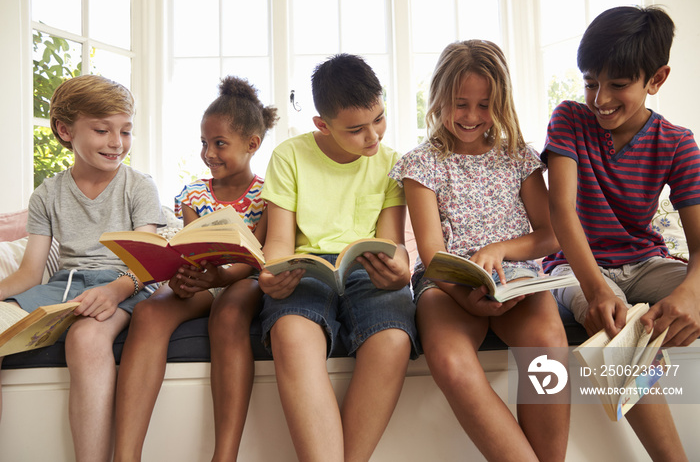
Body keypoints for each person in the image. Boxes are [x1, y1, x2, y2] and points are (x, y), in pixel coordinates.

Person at [390, 40, 570, 462]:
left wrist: (499, 250)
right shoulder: (421, 164)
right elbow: (432, 254)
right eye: (460, 103)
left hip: (516, 282)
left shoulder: (517, 158)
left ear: (501, 102)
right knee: (451, 361)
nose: (471, 116)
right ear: (437, 99)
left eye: (484, 104)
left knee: (549, 346)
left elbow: (551, 235)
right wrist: (463, 295)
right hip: (448, 287)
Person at [543, 6, 699, 461]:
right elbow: (561, 211)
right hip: (576, 267)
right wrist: (595, 290)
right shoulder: (569, 119)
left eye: (618, 84)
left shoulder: (676, 142)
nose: (599, 98)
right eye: (591, 82)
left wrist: (690, 294)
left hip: (647, 262)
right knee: (619, 325)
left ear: (657, 79)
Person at [257, 53, 419, 462]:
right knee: (291, 337)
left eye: (379, 119)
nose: (373, 137)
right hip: (305, 270)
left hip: (367, 270)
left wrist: (400, 270)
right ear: (322, 125)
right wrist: (270, 273)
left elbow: (391, 242)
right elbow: (278, 240)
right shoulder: (289, 156)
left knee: (394, 340)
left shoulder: (391, 163)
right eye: (356, 129)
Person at [0, 74, 165, 462]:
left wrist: (115, 291)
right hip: (63, 286)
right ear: (65, 129)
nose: (116, 142)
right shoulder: (47, 193)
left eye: (125, 131)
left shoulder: (139, 186)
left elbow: (149, 261)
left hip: (126, 282)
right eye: (102, 130)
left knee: (86, 340)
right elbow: (29, 274)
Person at [113, 76, 278, 462]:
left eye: (220, 143)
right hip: (203, 280)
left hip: (244, 279)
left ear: (252, 144)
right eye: (204, 143)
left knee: (230, 311)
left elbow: (260, 256)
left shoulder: (269, 193)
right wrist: (183, 275)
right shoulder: (193, 194)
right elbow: (192, 248)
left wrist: (222, 276)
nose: (209, 153)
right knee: (151, 309)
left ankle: (224, 455)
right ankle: (126, 454)